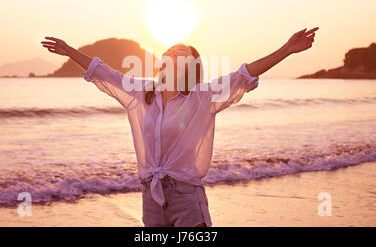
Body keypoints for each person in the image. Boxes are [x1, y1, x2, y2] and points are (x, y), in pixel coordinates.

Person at [41, 27, 318, 226]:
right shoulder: (141, 94)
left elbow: (244, 74)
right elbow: (105, 73)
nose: (174, 54)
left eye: (182, 54)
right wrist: (68, 51)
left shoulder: (202, 97)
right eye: (171, 51)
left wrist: (287, 50)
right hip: (151, 195)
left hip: (186, 196)